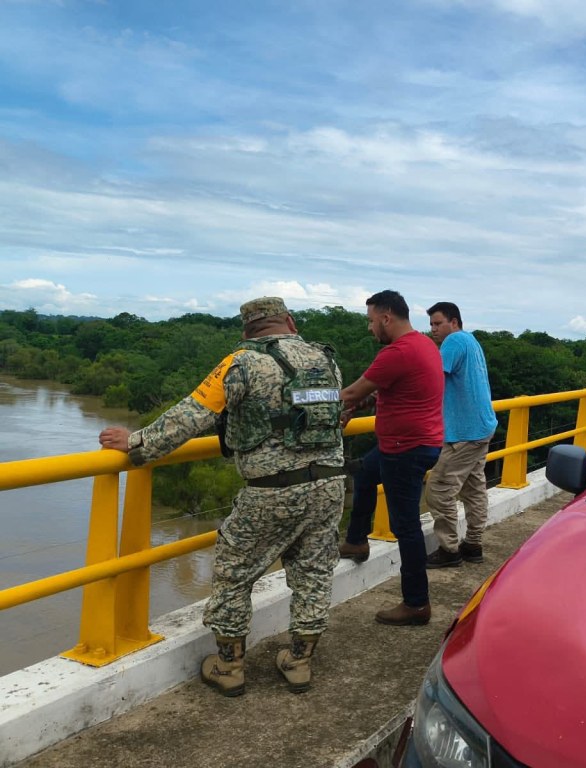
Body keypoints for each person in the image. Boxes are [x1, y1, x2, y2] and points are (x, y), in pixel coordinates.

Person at [98, 297, 346, 697]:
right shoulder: (326, 360)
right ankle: (299, 662)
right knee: (313, 572)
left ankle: (229, 667)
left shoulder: (241, 362)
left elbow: (192, 414)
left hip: (272, 490)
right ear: (290, 322)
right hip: (331, 485)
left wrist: (136, 443)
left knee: (234, 573)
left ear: (247, 330)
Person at [337, 290, 443, 626]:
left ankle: (416, 604)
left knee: (406, 526)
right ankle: (356, 541)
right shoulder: (424, 344)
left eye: (371, 321)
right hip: (414, 444)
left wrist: (316, 403)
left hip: (405, 449)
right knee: (366, 473)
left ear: (386, 317)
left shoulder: (397, 352)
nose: (369, 329)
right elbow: (390, 391)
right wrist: (360, 406)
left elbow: (352, 391)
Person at [423, 302, 498, 568]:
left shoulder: (453, 342)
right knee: (473, 487)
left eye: (438, 323)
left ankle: (449, 550)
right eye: (431, 324)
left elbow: (432, 379)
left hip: (464, 432)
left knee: (439, 488)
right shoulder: (471, 341)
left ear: (454, 322)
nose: (433, 329)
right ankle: (473, 544)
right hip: (481, 426)